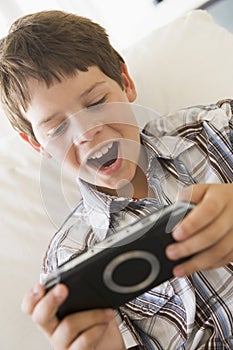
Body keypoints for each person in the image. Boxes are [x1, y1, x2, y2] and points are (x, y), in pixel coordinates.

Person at [0, 10, 232, 350]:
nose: (86, 133)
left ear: (126, 82)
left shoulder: (218, 129)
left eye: (96, 102)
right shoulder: (69, 260)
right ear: (38, 145)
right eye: (57, 128)